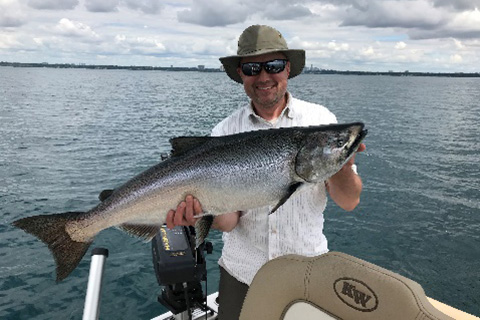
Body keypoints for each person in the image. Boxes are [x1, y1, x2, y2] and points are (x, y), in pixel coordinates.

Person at [166, 24, 366, 320]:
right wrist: (198, 212)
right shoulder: (224, 131)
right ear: (241, 75)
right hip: (243, 273)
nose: (264, 77)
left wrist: (343, 161)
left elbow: (349, 201)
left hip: (307, 269)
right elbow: (230, 220)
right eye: (252, 68)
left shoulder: (320, 120)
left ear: (287, 70)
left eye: (273, 65)